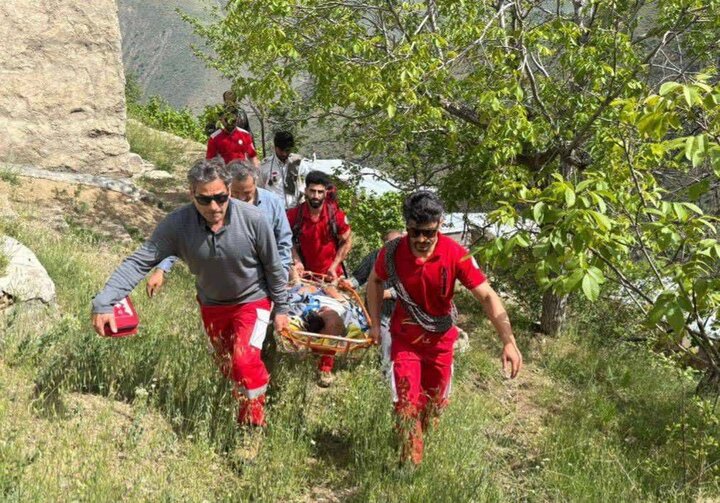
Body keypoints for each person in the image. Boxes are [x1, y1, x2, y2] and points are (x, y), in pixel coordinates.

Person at [91, 158, 289, 427]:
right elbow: (139, 262)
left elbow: (274, 267)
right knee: (227, 364)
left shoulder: (254, 219)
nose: (214, 207)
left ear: (229, 190)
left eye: (220, 197)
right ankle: (244, 396)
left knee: (244, 361)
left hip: (252, 302)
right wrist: (104, 302)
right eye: (204, 200)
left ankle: (252, 424)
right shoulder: (177, 225)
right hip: (212, 306)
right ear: (191, 194)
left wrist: (282, 308)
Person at [366, 191, 522, 465]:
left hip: (440, 343)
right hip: (405, 340)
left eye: (428, 232)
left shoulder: (455, 254)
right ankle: (409, 465)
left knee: (433, 406)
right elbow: (374, 281)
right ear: (406, 226)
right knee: (406, 403)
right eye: (414, 232)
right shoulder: (392, 252)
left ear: (440, 224)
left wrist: (508, 341)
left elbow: (487, 296)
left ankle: (417, 442)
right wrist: (375, 324)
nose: (421, 239)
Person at [146, 160, 294, 294]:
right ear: (227, 188)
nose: (241, 199)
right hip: (223, 284)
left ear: (255, 184)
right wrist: (161, 269)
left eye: (247, 194)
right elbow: (182, 236)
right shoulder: (213, 208)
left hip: (264, 281)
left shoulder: (272, 203)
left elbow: (283, 242)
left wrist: (279, 279)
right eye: (235, 194)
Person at [286, 170, 352, 386]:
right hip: (304, 277)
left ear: (326, 193)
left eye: (320, 192)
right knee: (297, 316)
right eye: (312, 191)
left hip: (329, 278)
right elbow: (286, 241)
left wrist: (334, 266)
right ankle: (307, 351)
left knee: (333, 318)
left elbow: (347, 240)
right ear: (305, 191)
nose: (315, 196)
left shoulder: (335, 216)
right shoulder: (294, 215)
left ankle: (325, 366)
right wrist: (296, 261)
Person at [350, 230, 404, 377]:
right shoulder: (374, 257)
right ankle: (386, 376)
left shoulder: (408, 261)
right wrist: (346, 283)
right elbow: (357, 278)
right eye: (389, 244)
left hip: (401, 312)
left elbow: (410, 285)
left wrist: (389, 293)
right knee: (384, 336)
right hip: (377, 313)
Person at [258, 131, 306, 208]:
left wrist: (302, 191)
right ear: (275, 147)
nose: (284, 154)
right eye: (281, 150)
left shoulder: (297, 162)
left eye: (287, 150)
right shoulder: (265, 165)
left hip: (295, 209)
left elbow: (310, 178)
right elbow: (259, 188)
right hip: (273, 210)